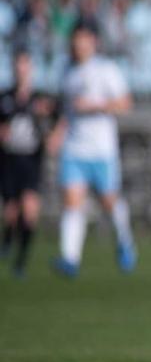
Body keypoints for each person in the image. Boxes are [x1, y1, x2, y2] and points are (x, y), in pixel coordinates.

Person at [53, 20, 137, 277]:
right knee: (72, 202)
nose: (77, 44)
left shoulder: (106, 69)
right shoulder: (66, 70)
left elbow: (125, 103)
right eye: (74, 39)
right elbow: (67, 109)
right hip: (74, 148)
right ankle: (70, 258)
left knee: (109, 202)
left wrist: (94, 105)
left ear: (93, 42)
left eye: (82, 39)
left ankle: (124, 241)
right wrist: (58, 132)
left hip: (102, 150)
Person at [0, 49, 58, 278]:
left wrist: (50, 135)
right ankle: (8, 239)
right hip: (8, 160)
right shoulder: (5, 98)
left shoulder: (40, 100)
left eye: (25, 64)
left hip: (32, 160)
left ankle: (21, 262)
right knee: (11, 212)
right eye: (18, 65)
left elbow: (57, 123)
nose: (21, 69)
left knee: (30, 210)